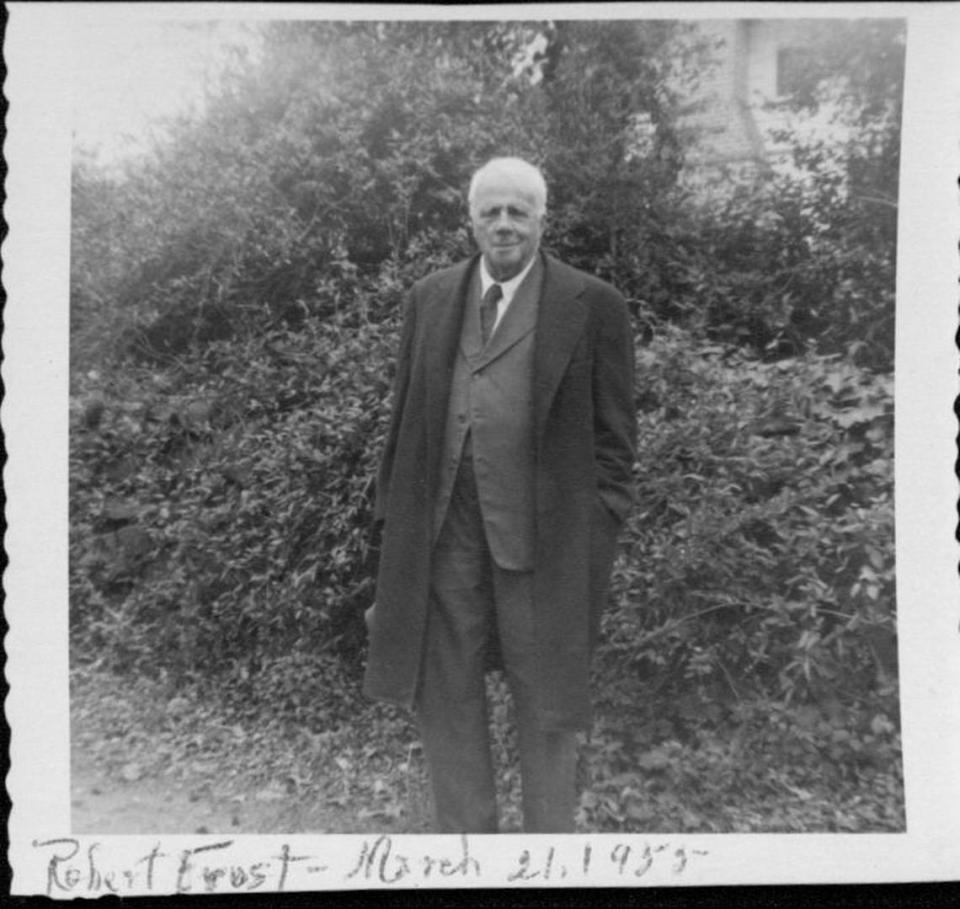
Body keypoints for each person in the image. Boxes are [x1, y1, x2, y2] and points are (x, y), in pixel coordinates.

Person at [363, 157, 636, 833]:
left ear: (543, 219)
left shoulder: (592, 303)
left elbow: (615, 443)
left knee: (547, 705)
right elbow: (404, 422)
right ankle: (469, 857)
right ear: (472, 220)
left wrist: (594, 528)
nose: (505, 224)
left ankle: (549, 860)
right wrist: (393, 524)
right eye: (492, 211)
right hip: (444, 537)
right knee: (446, 698)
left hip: (544, 545)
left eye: (519, 211)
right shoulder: (429, 298)